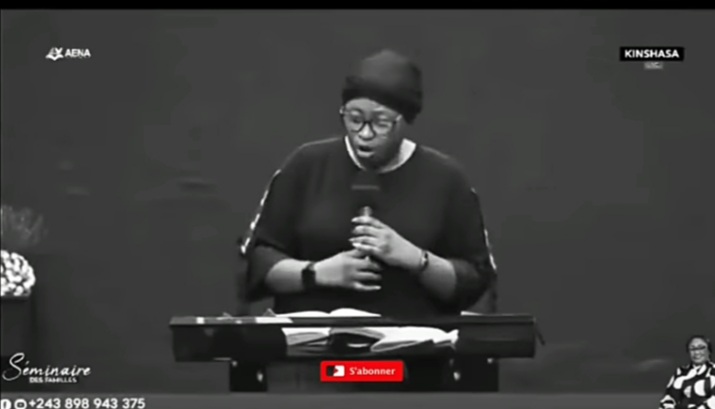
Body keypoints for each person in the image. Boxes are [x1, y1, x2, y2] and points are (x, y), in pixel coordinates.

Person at [238, 49, 497, 391]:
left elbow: (475, 281)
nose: (364, 133)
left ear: (405, 120)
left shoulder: (447, 179)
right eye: (354, 118)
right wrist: (317, 273)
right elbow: (257, 262)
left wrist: (415, 258)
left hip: (412, 368)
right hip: (312, 367)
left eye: (380, 122)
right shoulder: (305, 166)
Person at [659, 335, 715, 409]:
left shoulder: (713, 370)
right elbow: (669, 397)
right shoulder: (681, 372)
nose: (696, 352)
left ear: (709, 350)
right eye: (692, 349)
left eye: (701, 348)